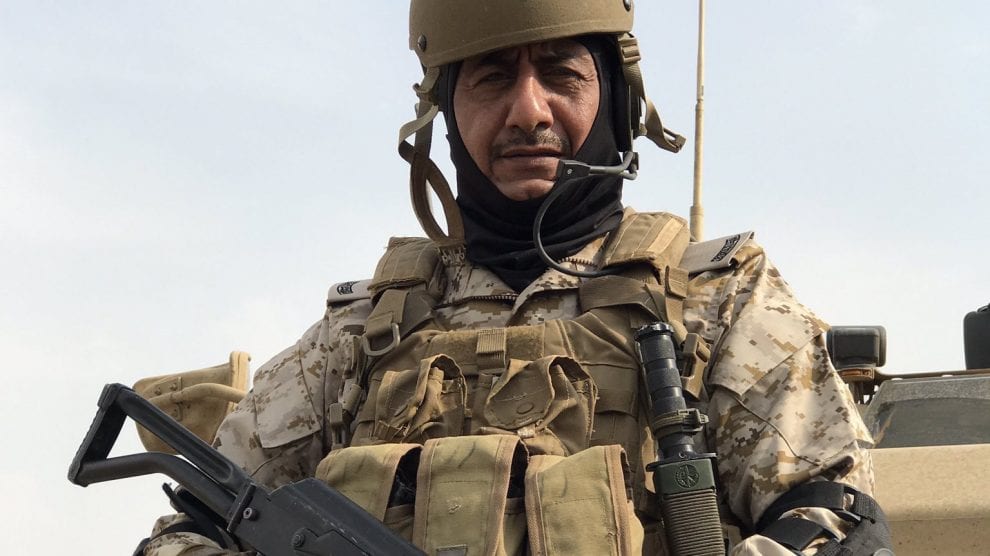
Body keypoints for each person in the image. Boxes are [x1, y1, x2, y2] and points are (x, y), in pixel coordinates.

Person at [140, 2, 891, 555]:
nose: (528, 110)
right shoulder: (361, 336)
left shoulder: (716, 301)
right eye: (492, 78)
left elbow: (834, 518)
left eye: (561, 73)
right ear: (442, 111)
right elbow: (194, 525)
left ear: (617, 97)